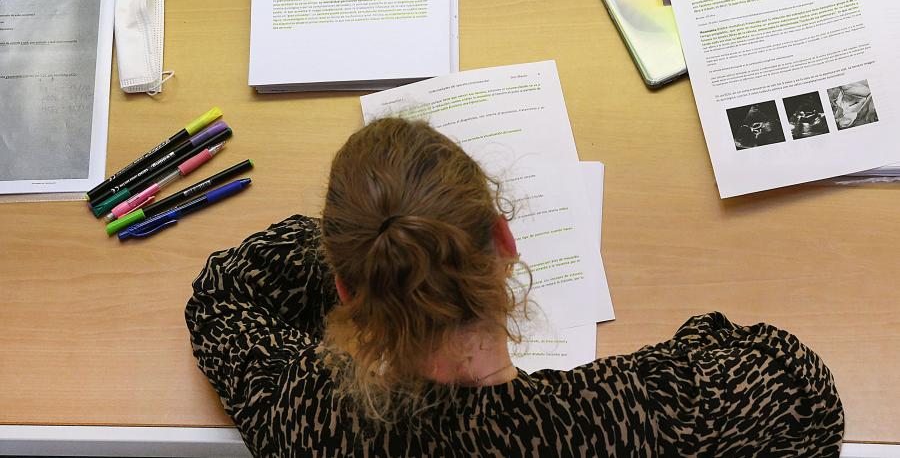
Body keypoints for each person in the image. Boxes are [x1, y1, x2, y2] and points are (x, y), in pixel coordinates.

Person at [186, 117, 844, 456]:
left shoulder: (302, 414)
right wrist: (688, 348)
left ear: (346, 287)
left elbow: (223, 298)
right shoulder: (621, 419)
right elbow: (803, 392)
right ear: (504, 241)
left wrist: (374, 250)